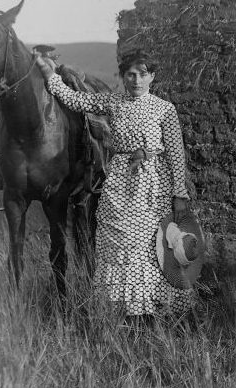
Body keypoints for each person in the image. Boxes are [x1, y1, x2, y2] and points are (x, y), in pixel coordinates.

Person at [34, 49, 195, 319]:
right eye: (130, 74)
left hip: (153, 187)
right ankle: (125, 310)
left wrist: (180, 194)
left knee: (150, 246)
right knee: (118, 243)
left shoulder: (164, 109)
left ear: (152, 76)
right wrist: (48, 73)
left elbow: (176, 156)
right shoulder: (113, 102)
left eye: (142, 74)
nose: (136, 80)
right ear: (122, 76)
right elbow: (74, 100)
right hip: (120, 185)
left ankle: (154, 309)